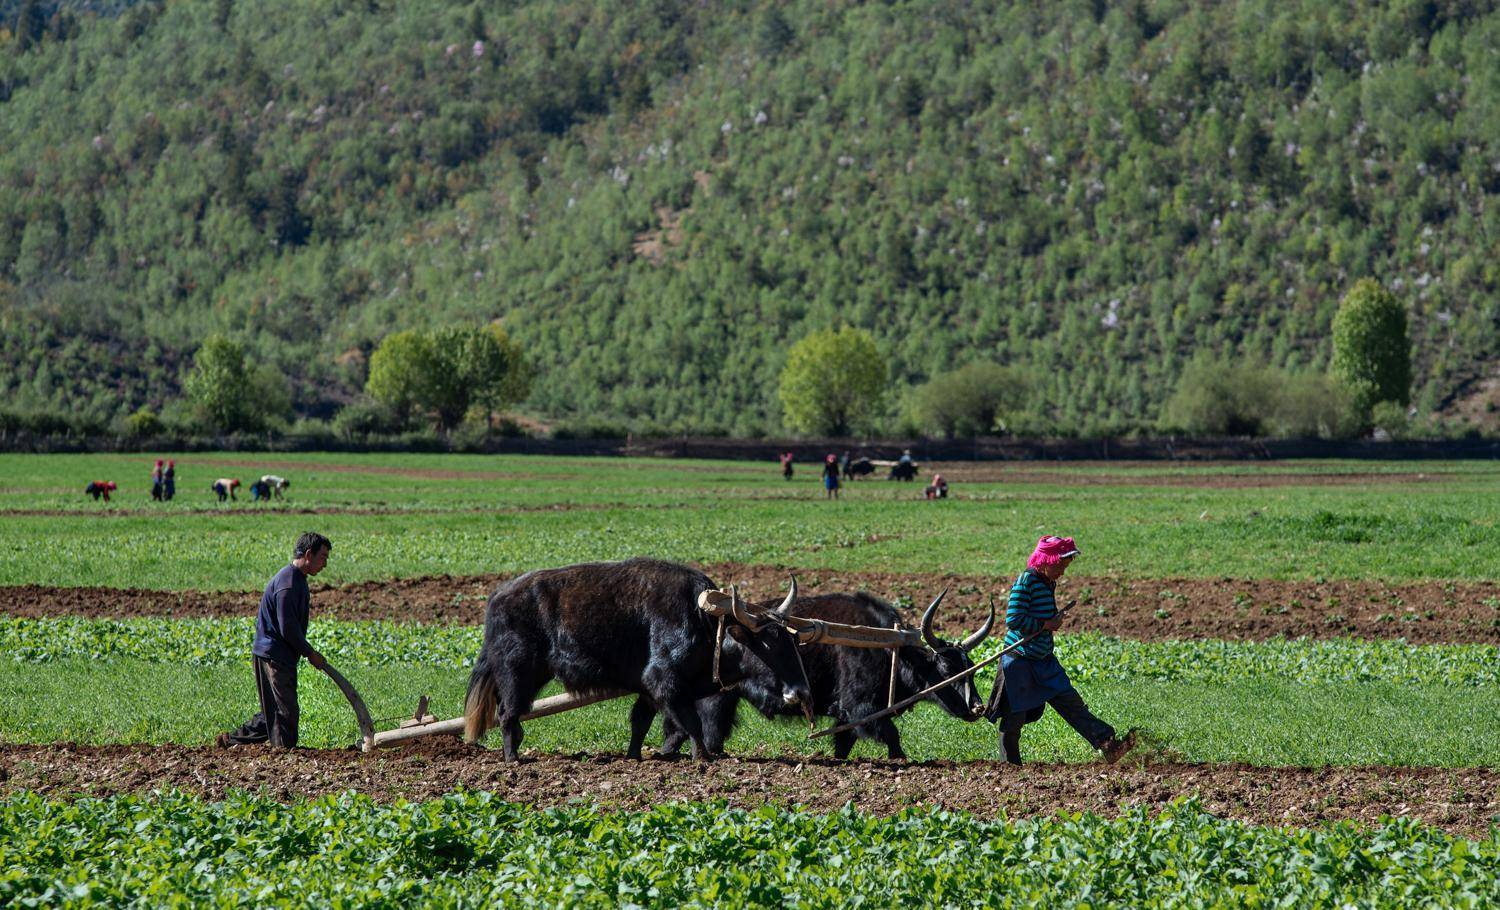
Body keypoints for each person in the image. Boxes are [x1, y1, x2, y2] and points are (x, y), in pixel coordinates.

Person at [985, 536, 1134, 765]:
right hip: (1020, 662)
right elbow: (1013, 620)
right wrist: (1046, 624)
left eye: (1065, 567)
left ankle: (1109, 745)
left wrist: (1049, 621)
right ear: (1045, 560)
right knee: (1014, 718)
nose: (1062, 573)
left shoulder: (1047, 582)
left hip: (1043, 659)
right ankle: (1010, 767)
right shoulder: (1026, 582)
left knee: (1072, 703)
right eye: (1059, 566)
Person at [218, 532, 332, 748]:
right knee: (285, 712)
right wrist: (310, 653)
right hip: (274, 655)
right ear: (309, 554)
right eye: (323, 557)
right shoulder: (287, 584)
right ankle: (284, 756)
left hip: (278, 654)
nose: (325, 564)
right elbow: (287, 628)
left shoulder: (297, 580)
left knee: (274, 710)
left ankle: (231, 741)